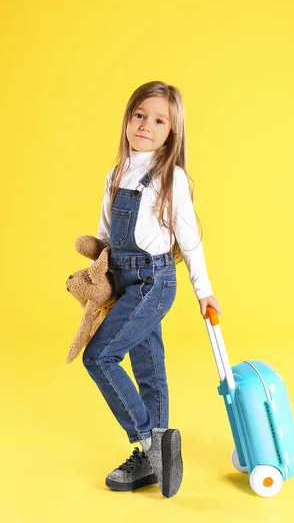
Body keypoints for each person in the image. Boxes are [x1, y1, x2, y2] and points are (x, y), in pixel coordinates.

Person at [82, 80, 222, 498]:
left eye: (159, 120)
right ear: (127, 118)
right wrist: (96, 279)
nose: (146, 125)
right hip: (124, 283)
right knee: (149, 369)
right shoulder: (115, 173)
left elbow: (190, 237)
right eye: (139, 115)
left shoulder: (171, 178)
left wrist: (205, 290)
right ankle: (153, 459)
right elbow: (106, 235)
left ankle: (148, 438)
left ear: (171, 133)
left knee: (100, 356)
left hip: (154, 283)